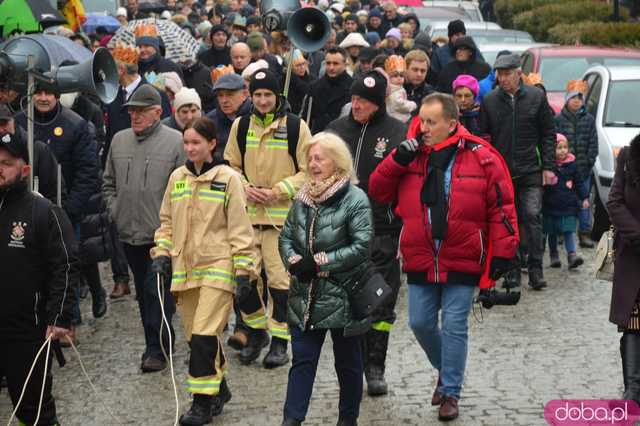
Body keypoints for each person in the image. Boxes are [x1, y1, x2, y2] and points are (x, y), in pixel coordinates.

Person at [369, 93, 519, 421]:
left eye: (431, 122)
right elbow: (378, 189)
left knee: (454, 325)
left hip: (463, 255)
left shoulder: (481, 156)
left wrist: (503, 254)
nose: (424, 128)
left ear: (452, 124)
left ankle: (451, 391)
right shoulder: (410, 154)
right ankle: (446, 369)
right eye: (421, 120)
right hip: (421, 254)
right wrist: (397, 158)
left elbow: (502, 207)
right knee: (420, 322)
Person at [151, 117, 265, 424]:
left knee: (203, 335)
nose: (189, 148)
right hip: (185, 272)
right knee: (196, 337)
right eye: (186, 143)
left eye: (195, 143)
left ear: (212, 144)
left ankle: (201, 403)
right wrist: (161, 252)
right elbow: (166, 222)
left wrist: (244, 270)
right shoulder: (177, 178)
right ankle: (220, 389)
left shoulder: (228, 179)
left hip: (218, 268)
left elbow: (242, 229)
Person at [279, 132, 373, 426]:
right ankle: (291, 420)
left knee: (348, 364)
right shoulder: (303, 197)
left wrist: (319, 262)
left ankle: (348, 420)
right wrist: (294, 261)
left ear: (337, 161)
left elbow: (361, 246)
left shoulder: (355, 198)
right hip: (305, 295)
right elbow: (285, 237)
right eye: (309, 159)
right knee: (302, 361)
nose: (313, 164)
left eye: (319, 158)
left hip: (343, 295)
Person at [224, 69, 312, 368]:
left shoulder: (297, 127)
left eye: (268, 95)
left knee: (280, 285)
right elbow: (230, 165)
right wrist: (244, 186)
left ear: (277, 97)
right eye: (258, 94)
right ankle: (257, 332)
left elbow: (309, 170)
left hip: (281, 222)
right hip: (247, 220)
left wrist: (279, 191)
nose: (262, 100)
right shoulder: (241, 126)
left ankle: (279, 341)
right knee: (244, 283)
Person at [326, 70, 405, 396]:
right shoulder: (335, 130)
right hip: (342, 230)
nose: (356, 105)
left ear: (379, 103)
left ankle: (376, 365)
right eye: (354, 99)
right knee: (347, 301)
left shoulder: (397, 132)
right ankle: (354, 364)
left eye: (363, 101)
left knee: (381, 301)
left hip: (382, 229)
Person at [103, 84, 186, 372]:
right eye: (131, 111)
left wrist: (173, 226)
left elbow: (184, 190)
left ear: (157, 113)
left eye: (141, 112)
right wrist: (115, 210)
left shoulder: (176, 142)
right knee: (143, 292)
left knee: (157, 292)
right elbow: (108, 182)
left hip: (161, 235)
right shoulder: (119, 140)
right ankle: (157, 340)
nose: (134, 116)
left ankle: (158, 347)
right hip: (129, 233)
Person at [14, 84, 104, 343]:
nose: (43, 98)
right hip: (25, 208)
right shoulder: (21, 123)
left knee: (65, 266)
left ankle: (69, 320)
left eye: (48, 94)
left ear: (57, 96)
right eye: (38, 93)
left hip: (63, 209)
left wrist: (70, 209)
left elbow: (88, 170)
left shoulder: (74, 124)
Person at [0, 130, 77, 426]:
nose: (0, 167)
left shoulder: (43, 211)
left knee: (32, 407)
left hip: (27, 329)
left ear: (25, 169)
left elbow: (66, 265)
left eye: (7, 163)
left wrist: (59, 316)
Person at [479, 53, 556, 291]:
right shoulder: (490, 100)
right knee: (505, 223)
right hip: (501, 172)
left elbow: (548, 134)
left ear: (518, 74)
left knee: (532, 217)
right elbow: (483, 137)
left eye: (507, 74)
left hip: (531, 168)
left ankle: (535, 270)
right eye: (499, 74)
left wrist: (549, 167)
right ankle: (511, 270)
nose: (503, 79)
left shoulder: (536, 97)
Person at [608, 133, 640, 405]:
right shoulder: (628, 157)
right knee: (633, 323)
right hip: (634, 254)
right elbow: (614, 202)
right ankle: (633, 391)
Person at [554, 80, 598, 248]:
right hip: (563, 168)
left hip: (583, 169)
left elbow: (593, 143)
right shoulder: (558, 119)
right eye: (573, 98)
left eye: (580, 98)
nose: (576, 101)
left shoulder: (589, 119)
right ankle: (559, 230)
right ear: (567, 99)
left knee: (584, 200)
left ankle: (584, 233)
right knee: (560, 199)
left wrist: (589, 161)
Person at [543, 133, 588, 269]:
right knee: (552, 232)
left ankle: (572, 255)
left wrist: (584, 197)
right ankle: (554, 256)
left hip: (568, 204)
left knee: (569, 231)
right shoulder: (548, 165)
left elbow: (579, 182)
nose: (562, 150)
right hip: (550, 205)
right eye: (559, 147)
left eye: (565, 147)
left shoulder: (572, 165)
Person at [305, 47, 353, 134]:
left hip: (343, 138)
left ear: (345, 65)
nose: (331, 67)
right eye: (328, 63)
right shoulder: (314, 87)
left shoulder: (353, 87)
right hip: (318, 137)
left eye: (335, 64)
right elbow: (306, 116)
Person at [206, 73, 252, 157]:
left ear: (245, 95)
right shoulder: (209, 121)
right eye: (220, 95)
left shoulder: (255, 117)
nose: (224, 100)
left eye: (229, 94)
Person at [384, 55, 416, 122]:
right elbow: (399, 104)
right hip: (398, 119)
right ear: (389, 77)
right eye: (395, 76)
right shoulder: (393, 90)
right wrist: (412, 105)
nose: (399, 78)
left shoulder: (398, 88)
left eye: (401, 75)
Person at [404, 50, 434, 116]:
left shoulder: (431, 95)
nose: (419, 74)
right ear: (405, 68)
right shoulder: (394, 89)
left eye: (423, 71)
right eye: (415, 70)